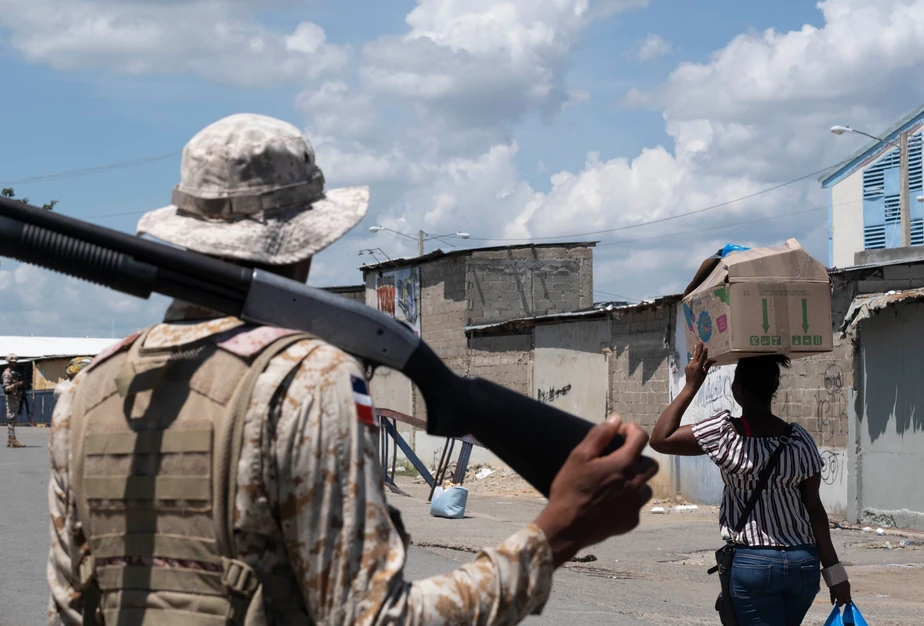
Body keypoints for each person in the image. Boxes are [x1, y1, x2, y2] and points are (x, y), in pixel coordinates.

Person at [47, 113, 659, 626]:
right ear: (306, 245)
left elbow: (70, 610)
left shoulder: (86, 391)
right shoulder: (306, 380)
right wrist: (553, 536)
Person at [649, 342, 851, 626]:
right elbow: (815, 511)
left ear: (738, 390)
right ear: (773, 389)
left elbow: (659, 438)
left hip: (753, 564)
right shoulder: (798, 439)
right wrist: (836, 576)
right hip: (802, 564)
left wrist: (691, 386)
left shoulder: (724, 435)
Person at [3, 353, 26, 448]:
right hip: (11, 399)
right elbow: (6, 388)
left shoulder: (13, 372)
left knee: (13, 419)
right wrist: (16, 385)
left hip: (15, 398)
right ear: (9, 362)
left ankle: (10, 439)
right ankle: (13, 439)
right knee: (11, 419)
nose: (14, 364)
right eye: (12, 362)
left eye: (15, 362)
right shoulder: (7, 374)